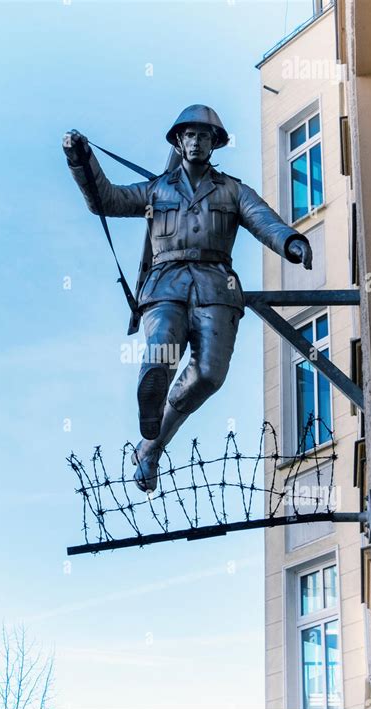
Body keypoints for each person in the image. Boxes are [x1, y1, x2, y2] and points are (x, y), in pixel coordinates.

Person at [63, 105, 312, 492]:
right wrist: (81, 160)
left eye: (205, 136)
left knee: (210, 375)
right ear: (179, 141)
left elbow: (262, 219)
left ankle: (151, 444)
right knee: (162, 346)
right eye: (190, 135)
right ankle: (153, 383)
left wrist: (291, 241)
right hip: (166, 283)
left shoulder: (232, 190)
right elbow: (105, 200)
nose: (197, 142)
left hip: (217, 287)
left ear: (215, 144)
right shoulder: (156, 190)